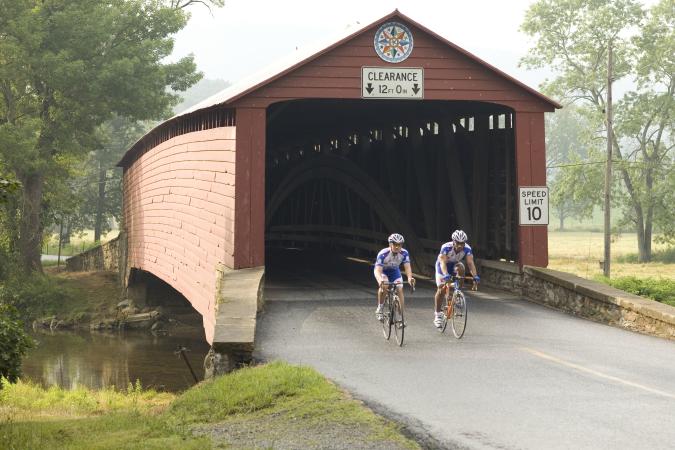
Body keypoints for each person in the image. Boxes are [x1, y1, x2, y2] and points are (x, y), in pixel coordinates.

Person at [433, 229, 480, 328]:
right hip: (443, 266)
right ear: (453, 241)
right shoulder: (446, 247)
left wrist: (475, 276)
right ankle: (437, 314)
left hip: (454, 265)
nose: (460, 246)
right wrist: (445, 274)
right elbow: (442, 262)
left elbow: (470, 263)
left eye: (462, 243)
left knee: (461, 267)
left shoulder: (467, 248)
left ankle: (457, 292)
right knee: (441, 289)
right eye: (458, 243)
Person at [374, 233, 416, 320]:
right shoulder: (383, 253)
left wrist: (409, 278)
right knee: (385, 285)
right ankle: (380, 308)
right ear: (390, 244)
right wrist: (380, 280)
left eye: (399, 245)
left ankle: (401, 314)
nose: (397, 247)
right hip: (383, 271)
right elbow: (378, 270)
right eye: (395, 244)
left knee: (399, 288)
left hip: (394, 271)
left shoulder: (404, 253)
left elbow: (407, 267)